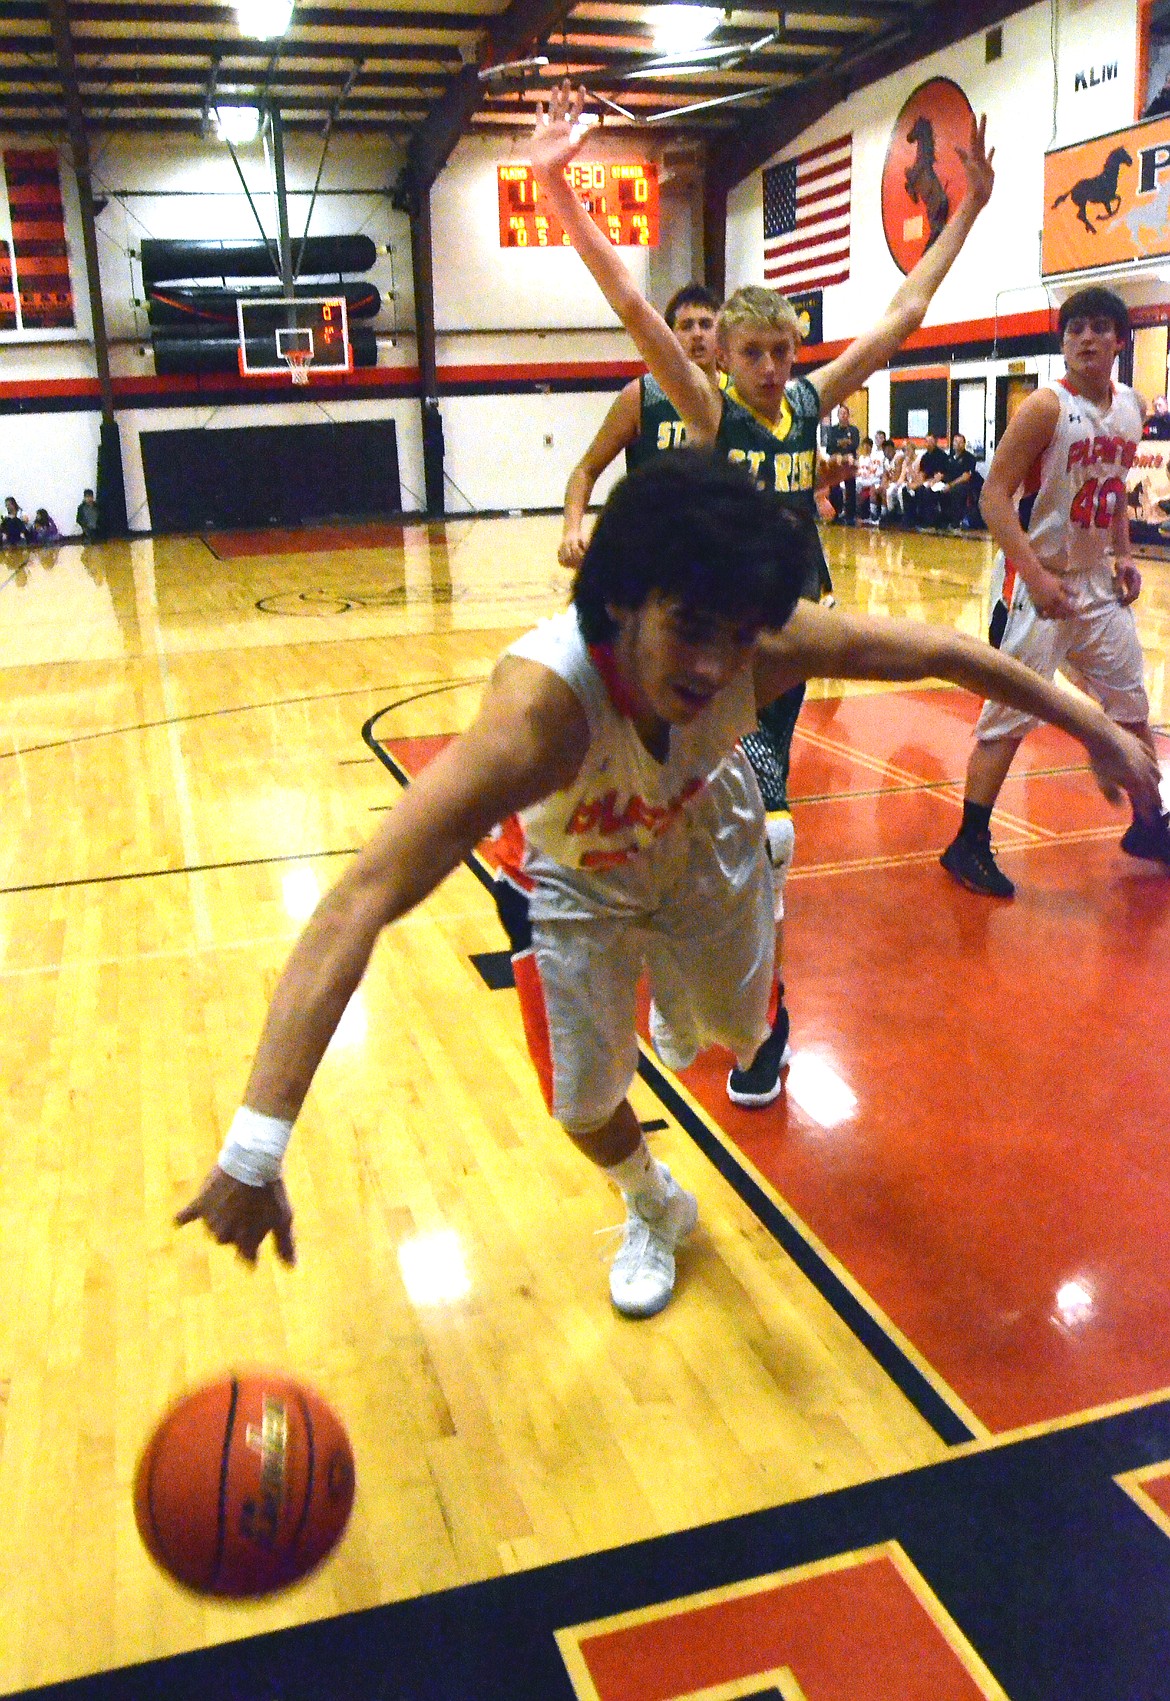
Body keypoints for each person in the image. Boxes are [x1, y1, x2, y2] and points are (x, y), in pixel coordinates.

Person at [175, 450, 1160, 1320]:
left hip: (708, 833)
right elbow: (360, 897)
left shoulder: (760, 647)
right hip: (580, 874)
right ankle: (656, 1205)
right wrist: (254, 1149)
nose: (712, 664)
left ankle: (729, 999)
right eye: (689, 628)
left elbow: (949, 652)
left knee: (731, 1034)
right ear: (621, 600)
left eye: (735, 638)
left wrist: (1104, 732)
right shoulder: (537, 722)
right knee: (579, 1103)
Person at [528, 81, 995, 1103]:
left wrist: (969, 210)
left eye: (786, 351)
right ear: (724, 358)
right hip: (705, 645)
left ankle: (752, 1012)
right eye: (756, 353)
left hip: (789, 632)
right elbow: (632, 304)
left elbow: (906, 312)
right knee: (687, 819)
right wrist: (559, 186)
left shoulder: (806, 405)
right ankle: (685, 984)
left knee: (766, 830)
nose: (777, 367)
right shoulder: (705, 410)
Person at [940, 286, 1170, 898]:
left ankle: (1150, 824)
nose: (1085, 338)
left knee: (1131, 707)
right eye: (1074, 330)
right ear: (1063, 341)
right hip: (1034, 580)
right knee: (1008, 715)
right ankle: (968, 842)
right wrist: (1036, 576)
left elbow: (1114, 487)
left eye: (1099, 328)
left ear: (1122, 339)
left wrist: (1123, 552)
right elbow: (994, 499)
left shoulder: (1131, 405)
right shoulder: (1046, 407)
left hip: (1096, 583)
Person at [558, 285, 722, 571]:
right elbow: (585, 469)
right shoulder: (641, 395)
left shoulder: (738, 395)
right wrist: (572, 530)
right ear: (669, 336)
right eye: (686, 326)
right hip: (653, 549)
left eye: (706, 325)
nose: (697, 334)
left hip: (717, 547)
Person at [823, 404, 861, 524]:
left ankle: (850, 516)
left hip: (849, 464)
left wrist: (840, 444)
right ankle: (836, 514)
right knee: (834, 488)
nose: (843, 416)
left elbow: (854, 445)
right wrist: (843, 443)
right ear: (838, 415)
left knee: (851, 488)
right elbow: (830, 448)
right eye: (841, 413)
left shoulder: (853, 430)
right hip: (837, 463)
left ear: (848, 416)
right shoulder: (832, 430)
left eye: (845, 413)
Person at [903, 434, 949, 526]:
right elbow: (922, 474)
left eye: (930, 441)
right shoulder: (925, 457)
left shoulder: (942, 455)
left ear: (935, 442)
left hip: (938, 482)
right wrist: (916, 483)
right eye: (926, 441)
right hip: (926, 481)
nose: (927, 443)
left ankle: (928, 522)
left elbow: (941, 474)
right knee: (907, 489)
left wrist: (929, 482)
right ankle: (910, 520)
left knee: (924, 491)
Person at [940, 432, 983, 528]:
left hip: (963, 485)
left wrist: (950, 485)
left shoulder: (969, 458)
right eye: (955, 442)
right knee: (938, 491)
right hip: (949, 483)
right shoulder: (949, 457)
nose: (957, 444)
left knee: (956, 491)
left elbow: (965, 477)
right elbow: (944, 473)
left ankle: (956, 522)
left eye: (960, 442)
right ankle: (943, 521)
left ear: (964, 444)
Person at [854, 435, 885, 521]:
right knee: (852, 484)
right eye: (865, 446)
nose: (866, 448)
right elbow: (857, 471)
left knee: (870, 486)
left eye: (868, 447)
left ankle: (873, 513)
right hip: (862, 479)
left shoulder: (875, 457)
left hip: (873, 479)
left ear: (871, 447)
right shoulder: (860, 458)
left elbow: (877, 471)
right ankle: (854, 510)